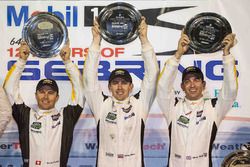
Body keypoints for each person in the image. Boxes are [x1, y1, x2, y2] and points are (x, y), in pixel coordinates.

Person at [83, 16, 159, 167]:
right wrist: (96, 42)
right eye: (115, 83)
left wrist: (144, 40)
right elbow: (89, 77)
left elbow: (153, 74)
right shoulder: (101, 104)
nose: (119, 87)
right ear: (109, 87)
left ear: (131, 87)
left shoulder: (140, 104)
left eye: (124, 83)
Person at [156, 31, 238, 167]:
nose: (192, 84)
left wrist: (227, 54)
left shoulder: (214, 107)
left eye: (196, 80)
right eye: (187, 81)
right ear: (182, 86)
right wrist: (178, 55)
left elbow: (231, 90)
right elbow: (162, 86)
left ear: (203, 84)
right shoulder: (173, 106)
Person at [3, 41, 84, 167]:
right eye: (42, 92)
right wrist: (21, 60)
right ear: (36, 95)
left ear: (57, 97)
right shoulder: (25, 116)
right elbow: (9, 89)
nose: (45, 96)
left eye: (50, 92)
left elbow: (81, 91)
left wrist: (67, 62)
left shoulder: (66, 116)